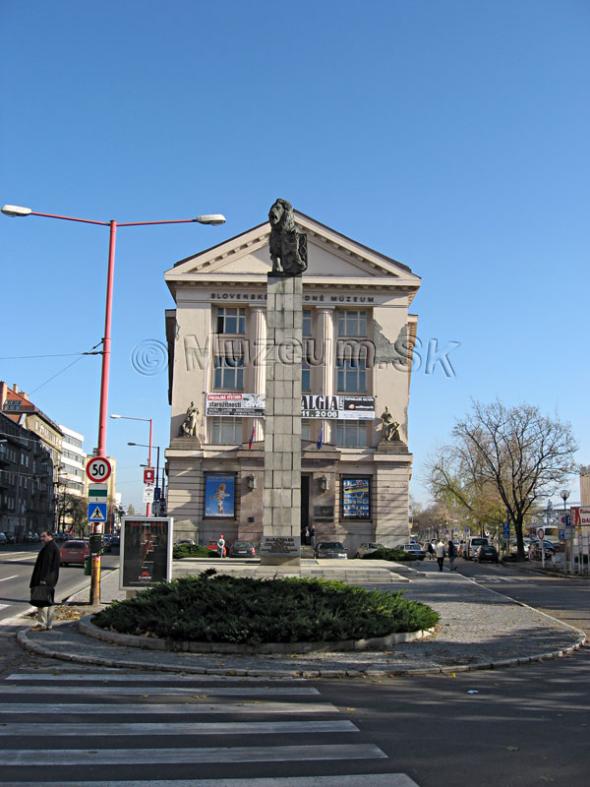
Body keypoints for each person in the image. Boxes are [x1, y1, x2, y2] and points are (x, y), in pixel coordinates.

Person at [29, 531, 61, 631]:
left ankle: (42, 624)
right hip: (50, 579)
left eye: (44, 536)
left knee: (41, 601)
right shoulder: (52, 546)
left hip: (45, 579)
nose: (41, 538)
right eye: (41, 536)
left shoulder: (49, 548)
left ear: (50, 536)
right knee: (49, 601)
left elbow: (46, 566)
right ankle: (49, 624)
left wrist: (42, 579)